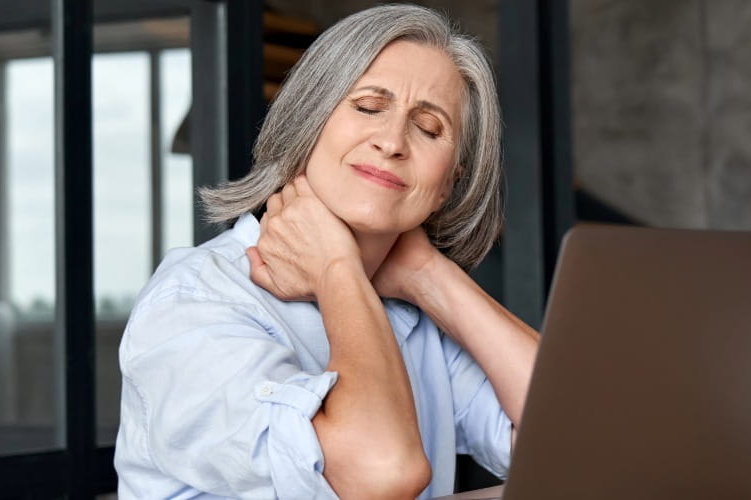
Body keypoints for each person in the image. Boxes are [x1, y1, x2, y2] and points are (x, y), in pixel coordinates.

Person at [114, 5, 540, 499]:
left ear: (449, 184)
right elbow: (381, 472)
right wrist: (338, 268)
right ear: (307, 122)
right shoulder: (196, 302)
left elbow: (583, 444)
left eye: (428, 127)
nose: (392, 142)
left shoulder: (412, 316)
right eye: (368, 106)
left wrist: (431, 275)